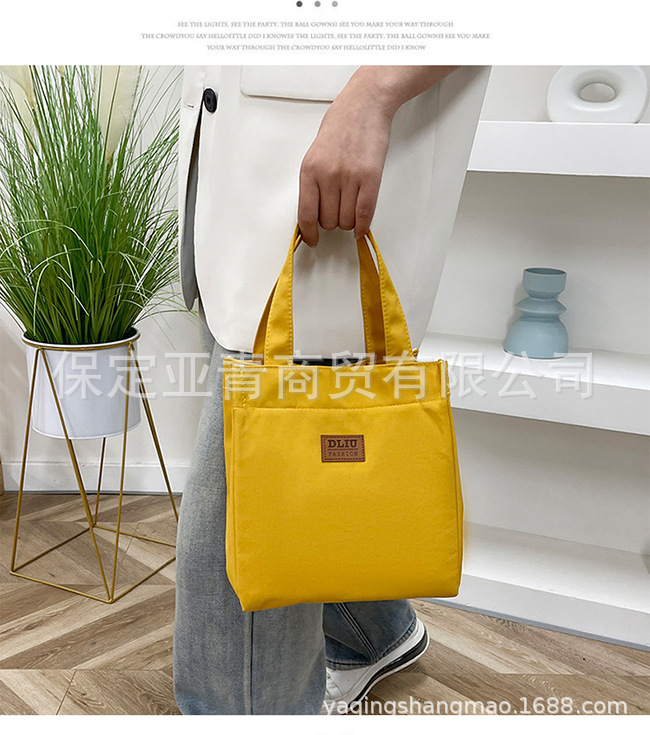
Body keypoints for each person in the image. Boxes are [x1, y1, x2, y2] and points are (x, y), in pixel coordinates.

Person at [173, 65, 490, 715]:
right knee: (308, 472)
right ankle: (369, 632)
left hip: (329, 148)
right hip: (234, 160)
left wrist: (372, 94)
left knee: (249, 498)